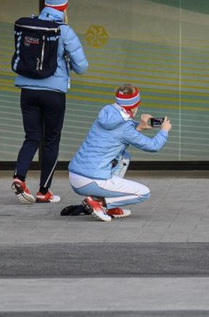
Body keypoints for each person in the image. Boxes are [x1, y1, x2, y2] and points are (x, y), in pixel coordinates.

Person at [11, 0, 88, 205]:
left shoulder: (30, 26)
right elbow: (82, 66)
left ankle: (19, 176)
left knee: (32, 137)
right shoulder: (64, 31)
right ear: (64, 7)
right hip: (54, 93)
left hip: (27, 90)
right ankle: (44, 191)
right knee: (51, 141)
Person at [67, 84, 170, 221]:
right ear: (134, 106)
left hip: (75, 177)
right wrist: (164, 130)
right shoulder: (126, 128)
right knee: (144, 193)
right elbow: (152, 146)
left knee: (124, 157)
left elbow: (117, 133)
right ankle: (100, 204)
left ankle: (107, 207)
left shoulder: (107, 113)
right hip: (92, 180)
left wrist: (138, 127)